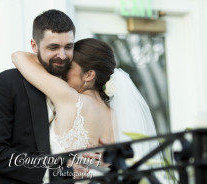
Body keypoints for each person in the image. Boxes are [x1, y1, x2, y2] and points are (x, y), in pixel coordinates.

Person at [12, 38, 161, 181]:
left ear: (89, 75)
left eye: (68, 66)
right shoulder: (118, 117)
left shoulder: (71, 99)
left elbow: (18, 56)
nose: (62, 70)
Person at [0, 9, 76, 184]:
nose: (62, 55)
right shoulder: (6, 83)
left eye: (68, 47)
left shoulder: (78, 83)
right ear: (34, 46)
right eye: (53, 47)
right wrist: (52, 169)